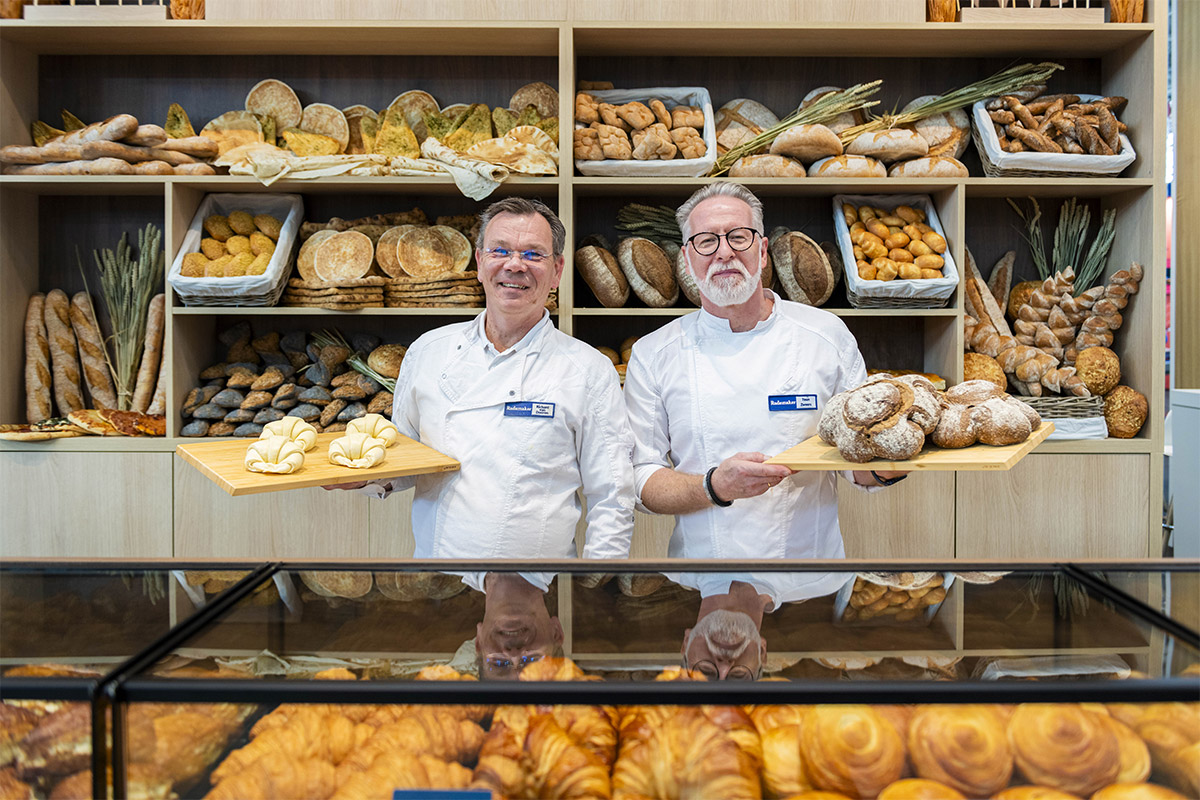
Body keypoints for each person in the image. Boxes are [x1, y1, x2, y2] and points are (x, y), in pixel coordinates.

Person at [623, 183, 906, 584]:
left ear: (761, 250)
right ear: (686, 259)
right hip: (705, 583)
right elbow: (641, 478)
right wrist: (713, 486)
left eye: (738, 237)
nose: (724, 252)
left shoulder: (826, 335)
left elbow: (855, 459)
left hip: (809, 582)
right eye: (705, 241)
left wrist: (894, 462)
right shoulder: (654, 354)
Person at [326, 197, 634, 560]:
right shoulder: (428, 351)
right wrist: (367, 476)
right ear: (479, 262)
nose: (515, 265)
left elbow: (612, 497)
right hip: (441, 583)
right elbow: (406, 455)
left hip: (539, 590)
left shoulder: (588, 369)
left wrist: (591, 590)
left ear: (557, 271)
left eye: (534, 254)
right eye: (499, 250)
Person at [466, 571, 563, 680]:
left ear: (479, 642)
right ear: (556, 633)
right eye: (532, 661)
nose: (514, 654)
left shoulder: (445, 557)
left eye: (499, 663)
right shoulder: (581, 557)